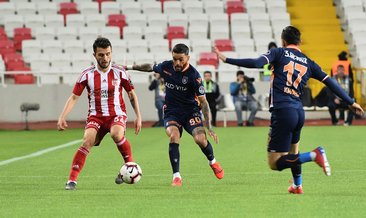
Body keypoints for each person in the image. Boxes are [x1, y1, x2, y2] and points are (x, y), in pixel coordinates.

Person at [214, 26, 364, 194]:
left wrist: (227, 60)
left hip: (283, 111)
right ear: (299, 42)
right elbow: (330, 82)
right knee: (294, 152)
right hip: (299, 112)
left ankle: (315, 155)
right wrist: (351, 101)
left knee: (274, 162)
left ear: (283, 41)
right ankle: (297, 185)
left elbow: (257, 63)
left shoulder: (279, 53)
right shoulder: (308, 62)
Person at [126, 43, 224, 186]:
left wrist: (209, 127)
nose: (177, 63)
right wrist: (129, 67)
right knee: (174, 136)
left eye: (181, 59)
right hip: (172, 112)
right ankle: (176, 176)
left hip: (191, 112)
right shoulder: (166, 66)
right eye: (175, 59)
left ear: (188, 58)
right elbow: (149, 67)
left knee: (200, 140)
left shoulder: (194, 76)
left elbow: (204, 103)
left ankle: (213, 162)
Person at [57, 37, 142, 190]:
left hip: (116, 114)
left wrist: (138, 117)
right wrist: (62, 117)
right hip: (96, 116)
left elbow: (131, 94)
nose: (105, 58)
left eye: (108, 54)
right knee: (87, 141)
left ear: (111, 53)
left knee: (117, 134)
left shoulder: (120, 72)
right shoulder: (87, 75)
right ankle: (72, 180)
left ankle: (128, 166)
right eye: (101, 55)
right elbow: (74, 97)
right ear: (94, 55)